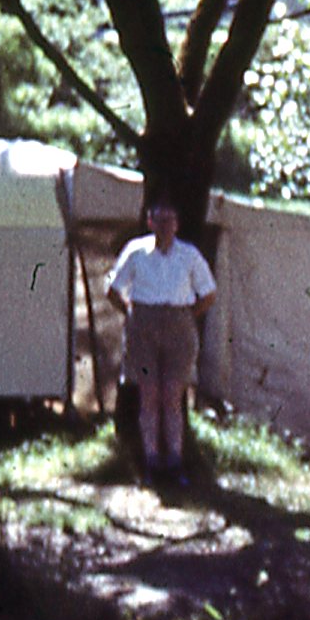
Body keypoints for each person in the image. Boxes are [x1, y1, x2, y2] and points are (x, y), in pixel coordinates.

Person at [105, 198, 216, 487]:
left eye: (170, 221)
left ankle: (175, 463)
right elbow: (114, 289)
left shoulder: (189, 255)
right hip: (144, 324)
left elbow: (208, 293)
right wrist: (132, 312)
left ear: (176, 225)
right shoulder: (136, 251)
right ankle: (152, 463)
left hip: (179, 324)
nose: (165, 227)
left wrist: (186, 316)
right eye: (159, 220)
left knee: (172, 396)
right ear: (150, 222)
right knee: (149, 396)